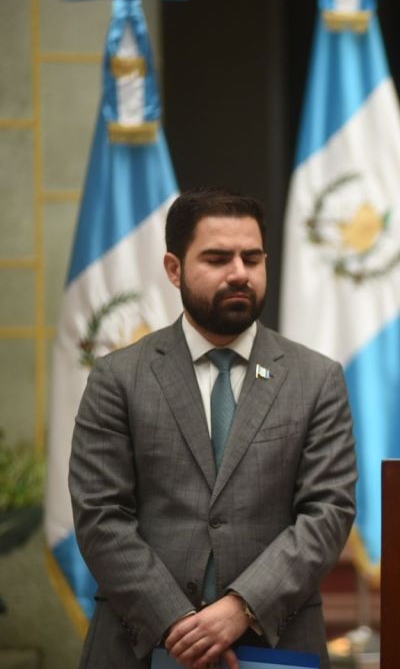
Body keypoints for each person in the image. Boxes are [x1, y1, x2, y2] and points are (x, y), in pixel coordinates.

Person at [69, 187, 357, 668]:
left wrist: (240, 609)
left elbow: (327, 512)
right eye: (218, 258)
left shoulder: (316, 378)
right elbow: (101, 515)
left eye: (252, 258)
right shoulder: (118, 377)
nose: (239, 273)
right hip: (139, 644)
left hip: (275, 645)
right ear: (174, 269)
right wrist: (180, 623)